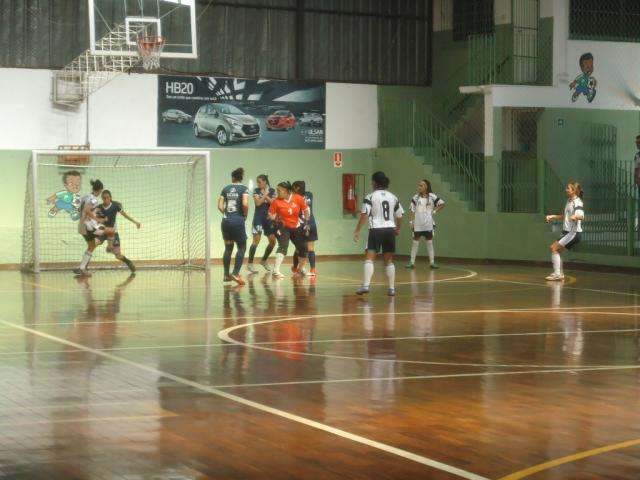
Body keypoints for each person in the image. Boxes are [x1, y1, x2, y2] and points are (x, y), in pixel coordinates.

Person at [353, 171, 404, 296]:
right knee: (389, 260)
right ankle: (391, 288)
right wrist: (398, 229)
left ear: (375, 182)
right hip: (389, 230)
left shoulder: (370, 196)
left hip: (376, 230)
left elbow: (364, 214)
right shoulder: (393, 197)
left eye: (372, 181)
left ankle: (365, 285)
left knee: (369, 258)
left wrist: (357, 230)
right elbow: (400, 215)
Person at [268, 181, 310, 279]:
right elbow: (271, 214)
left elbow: (306, 209)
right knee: (283, 246)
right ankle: (276, 271)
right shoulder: (276, 201)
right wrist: (275, 219)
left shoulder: (298, 198)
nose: (277, 192)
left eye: (279, 190)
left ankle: (301, 268)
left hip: (296, 226)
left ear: (286, 191)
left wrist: (306, 223)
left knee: (303, 248)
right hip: (283, 227)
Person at [74, 179, 115, 276]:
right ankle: (109, 247)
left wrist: (91, 214)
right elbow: (87, 210)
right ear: (100, 189)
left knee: (91, 246)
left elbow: (81, 209)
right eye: (101, 191)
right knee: (111, 230)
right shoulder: (93, 199)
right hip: (89, 226)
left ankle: (81, 268)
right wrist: (98, 219)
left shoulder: (85, 197)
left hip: (82, 226)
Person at [545, 182, 585, 281]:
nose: (566, 190)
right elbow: (565, 217)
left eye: (568, 188)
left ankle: (557, 274)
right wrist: (553, 216)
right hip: (567, 232)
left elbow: (581, 216)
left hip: (574, 233)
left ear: (574, 191)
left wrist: (575, 216)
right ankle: (559, 274)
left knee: (553, 248)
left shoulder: (577, 202)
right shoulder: (569, 201)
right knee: (557, 251)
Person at [218, 168, 249, 285]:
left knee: (228, 248)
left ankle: (226, 275)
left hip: (226, 222)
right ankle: (235, 273)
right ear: (241, 177)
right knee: (241, 247)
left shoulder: (225, 189)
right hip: (238, 221)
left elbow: (220, 205)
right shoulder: (244, 189)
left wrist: (226, 214)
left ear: (232, 177)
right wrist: (244, 214)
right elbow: (245, 203)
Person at [97, 190, 140, 273]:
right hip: (104, 232)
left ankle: (128, 262)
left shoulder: (116, 205)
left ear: (110, 198)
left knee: (118, 256)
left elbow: (125, 215)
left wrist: (135, 222)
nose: (105, 199)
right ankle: (83, 267)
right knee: (93, 244)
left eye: (107, 198)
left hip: (113, 233)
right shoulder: (99, 207)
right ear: (102, 198)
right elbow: (97, 220)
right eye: (104, 198)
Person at [406, 179, 445, 269]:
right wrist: (411, 222)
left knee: (429, 243)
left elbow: (442, 204)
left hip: (428, 224)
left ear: (426, 186)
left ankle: (432, 262)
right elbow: (412, 210)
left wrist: (434, 210)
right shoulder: (415, 197)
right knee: (415, 242)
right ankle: (411, 262)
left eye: (421, 185)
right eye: (419, 185)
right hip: (417, 224)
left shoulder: (432, 196)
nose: (419, 187)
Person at [247, 174, 277, 273]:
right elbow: (258, 203)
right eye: (257, 182)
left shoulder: (272, 191)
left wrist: (266, 195)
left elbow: (273, 203)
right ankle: (250, 263)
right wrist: (265, 195)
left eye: (259, 182)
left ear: (265, 182)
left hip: (268, 219)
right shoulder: (256, 191)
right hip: (258, 218)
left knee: (272, 242)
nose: (258, 184)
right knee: (256, 241)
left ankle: (264, 260)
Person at [291, 180, 318, 276]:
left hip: (301, 224)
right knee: (311, 248)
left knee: (299, 248)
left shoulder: (295, 197)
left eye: (293, 187)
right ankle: (313, 269)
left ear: (296, 188)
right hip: (311, 223)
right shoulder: (310, 194)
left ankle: (295, 267)